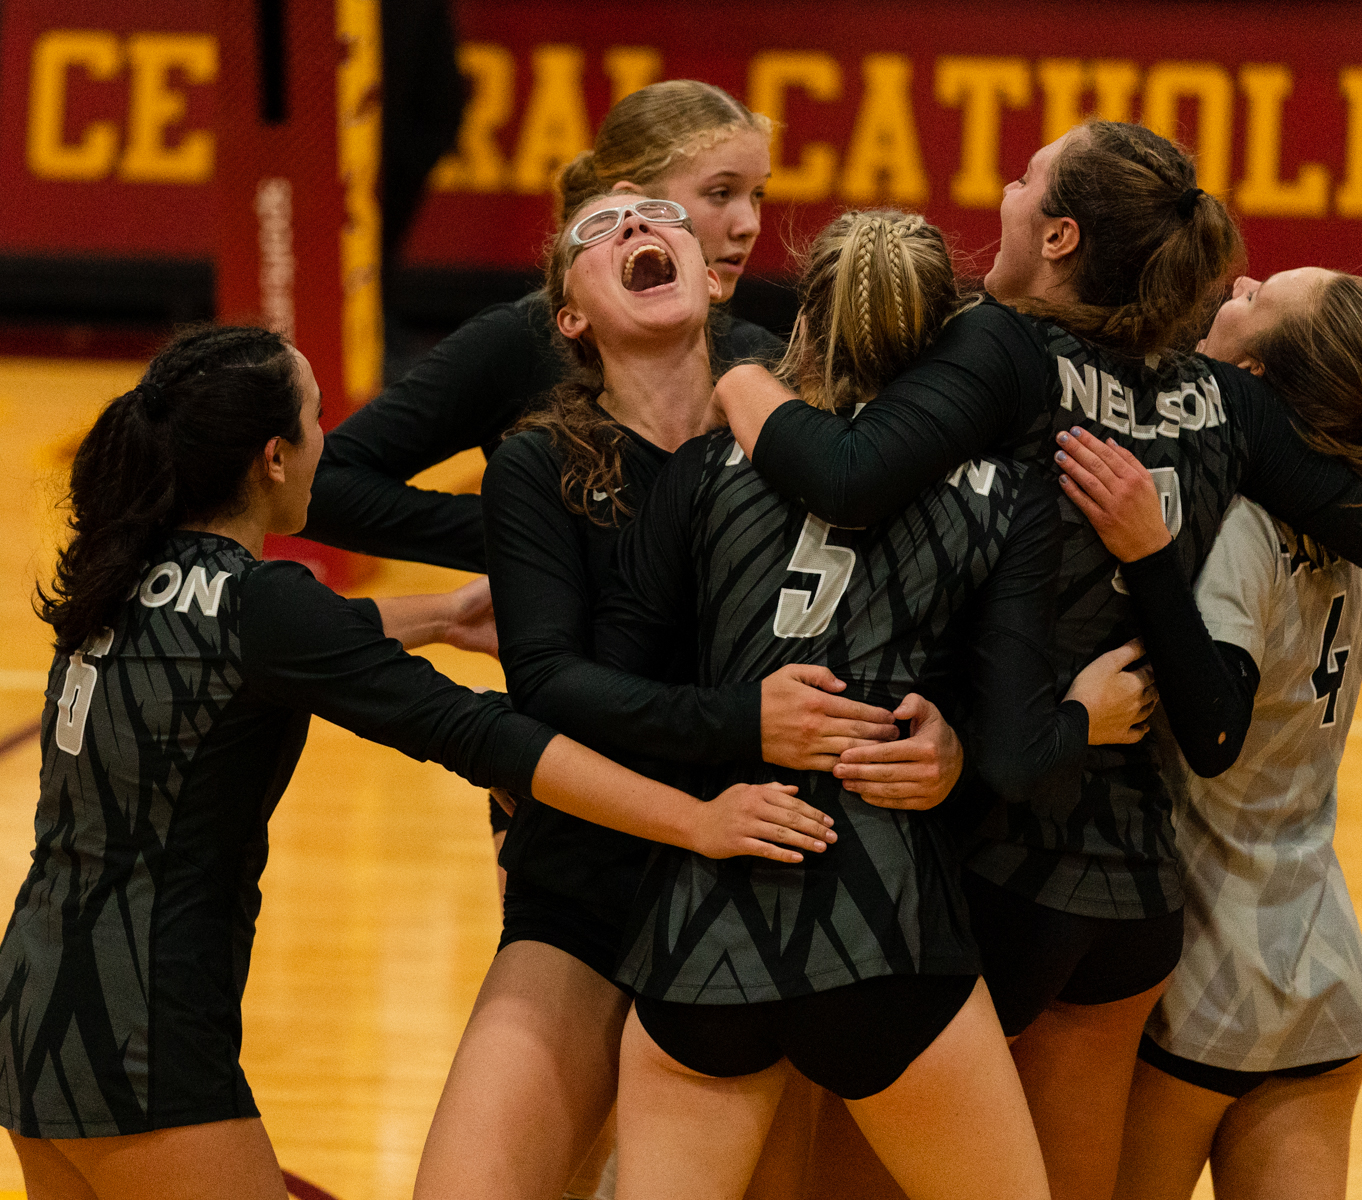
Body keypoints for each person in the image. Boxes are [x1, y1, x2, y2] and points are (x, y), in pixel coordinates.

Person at [710, 122, 1362, 1200]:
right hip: (1134, 900)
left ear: (1058, 236)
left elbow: (848, 474)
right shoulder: (1225, 399)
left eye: (1022, 181)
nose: (1002, 194)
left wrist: (730, 369)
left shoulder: (1008, 352)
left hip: (997, 857)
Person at [0, 326, 831, 1200]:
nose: (334, 441)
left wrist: (435, 616)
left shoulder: (125, 568)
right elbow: (481, 736)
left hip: (32, 1009)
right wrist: (698, 819)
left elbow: (267, 648)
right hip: (143, 1036)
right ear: (274, 458)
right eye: (322, 418)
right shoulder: (264, 602)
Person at [569, 203, 1158, 1200]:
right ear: (948, 344)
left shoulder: (706, 470)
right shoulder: (1003, 494)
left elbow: (616, 694)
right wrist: (963, 748)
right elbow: (1014, 743)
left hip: (706, 934)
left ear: (805, 321)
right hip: (884, 932)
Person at [412, 196, 910, 1200]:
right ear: (569, 319)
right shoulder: (535, 461)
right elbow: (548, 681)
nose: (638, 229)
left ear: (716, 278)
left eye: (661, 217)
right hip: (595, 876)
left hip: (774, 885)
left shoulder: (812, 445)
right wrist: (740, 723)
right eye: (601, 230)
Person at [299, 77, 785, 888]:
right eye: (720, 193)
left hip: (728, 752)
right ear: (633, 203)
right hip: (570, 755)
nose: (747, 224)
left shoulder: (765, 356)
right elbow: (328, 479)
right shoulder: (522, 339)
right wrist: (536, 548)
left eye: (758, 195)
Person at [1048, 269, 1362, 1200]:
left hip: (1210, 966)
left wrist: (1147, 556)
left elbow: (1218, 726)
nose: (1238, 282)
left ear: (1251, 368)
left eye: (1260, 296)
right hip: (1320, 957)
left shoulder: (1240, 523)